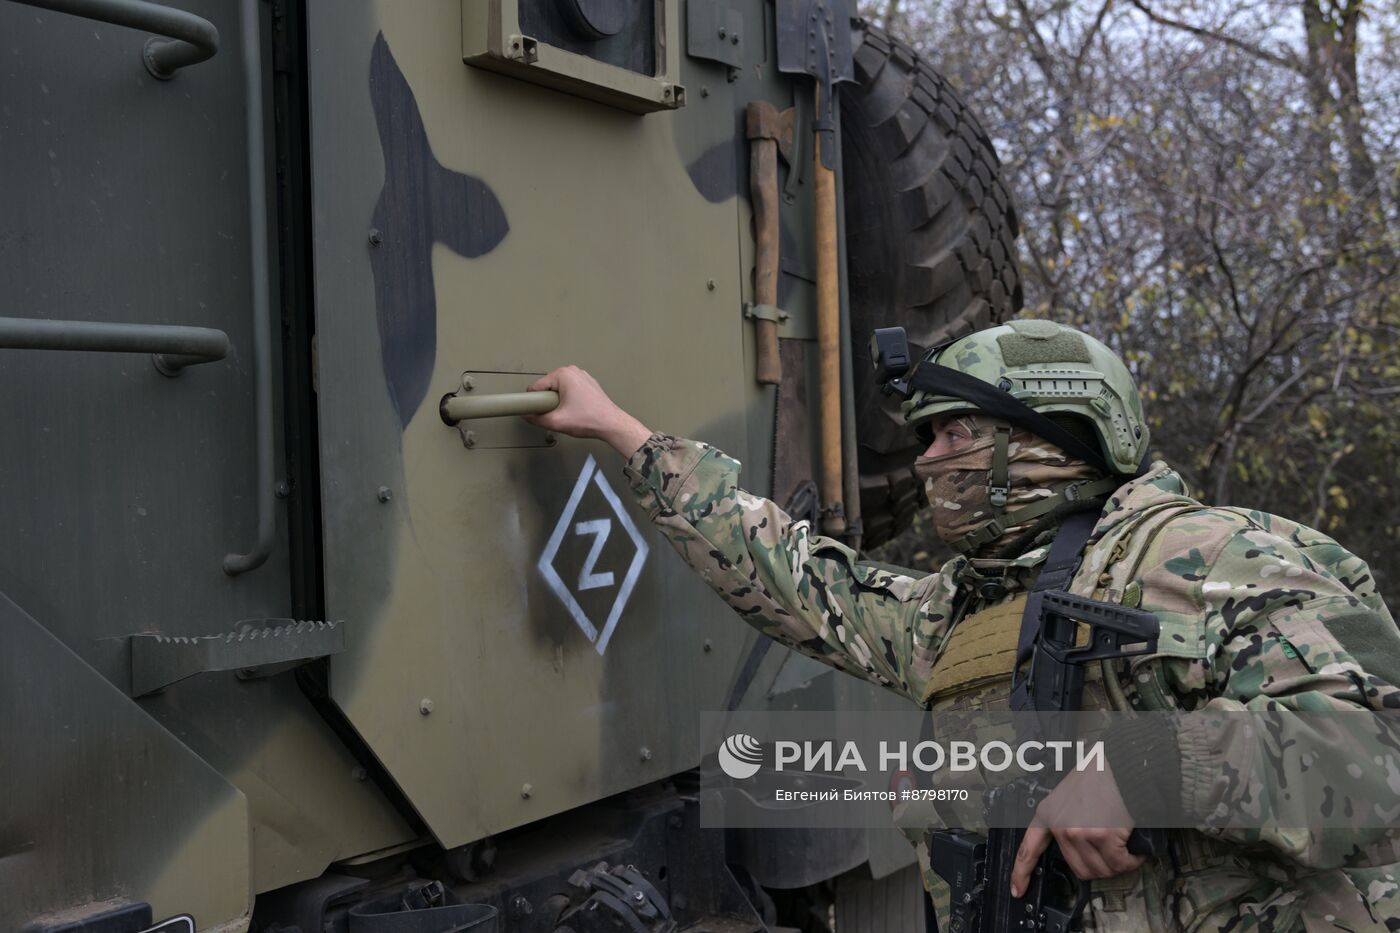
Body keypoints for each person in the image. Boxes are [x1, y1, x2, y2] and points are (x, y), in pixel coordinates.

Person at [525, 319, 1400, 930]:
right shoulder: (967, 607)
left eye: (953, 435)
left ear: (1048, 430)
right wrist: (622, 432)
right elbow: (796, 577)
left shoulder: (1214, 554)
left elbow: (1374, 755)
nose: (928, 458)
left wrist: (1142, 769)